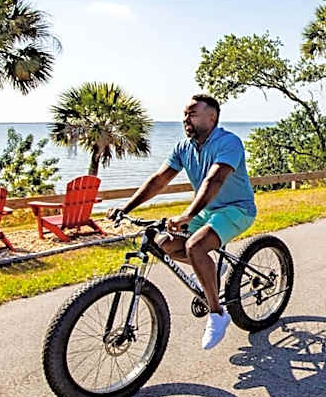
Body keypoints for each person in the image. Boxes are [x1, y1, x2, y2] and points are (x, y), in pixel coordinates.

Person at [109, 94, 257, 350]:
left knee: (195, 247)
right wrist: (126, 207)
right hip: (207, 210)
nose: (186, 119)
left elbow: (215, 180)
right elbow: (159, 180)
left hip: (237, 209)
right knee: (165, 245)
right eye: (185, 114)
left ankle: (217, 314)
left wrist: (188, 214)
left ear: (212, 118)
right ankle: (212, 269)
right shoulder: (183, 147)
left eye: (192, 114)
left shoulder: (229, 142)